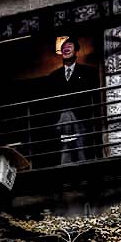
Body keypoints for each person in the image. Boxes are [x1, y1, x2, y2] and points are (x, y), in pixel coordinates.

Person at [43, 36, 100, 164]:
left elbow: (91, 97)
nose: (66, 48)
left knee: (81, 152)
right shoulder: (53, 76)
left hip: (81, 120)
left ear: (76, 50)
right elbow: (50, 102)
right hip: (60, 123)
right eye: (63, 47)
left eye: (69, 45)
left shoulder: (88, 72)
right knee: (65, 117)